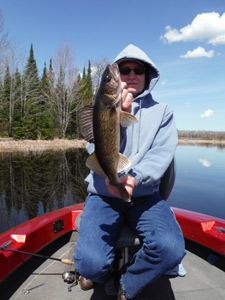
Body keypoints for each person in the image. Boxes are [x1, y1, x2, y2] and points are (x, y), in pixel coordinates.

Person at [74, 44, 186, 300]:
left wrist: (136, 178)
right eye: (124, 69)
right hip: (103, 193)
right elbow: (96, 146)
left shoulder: (163, 112)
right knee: (90, 265)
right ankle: (101, 267)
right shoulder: (102, 107)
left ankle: (127, 283)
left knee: (170, 250)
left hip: (145, 196)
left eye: (139, 70)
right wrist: (120, 115)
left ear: (148, 76)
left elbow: (161, 155)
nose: (132, 74)